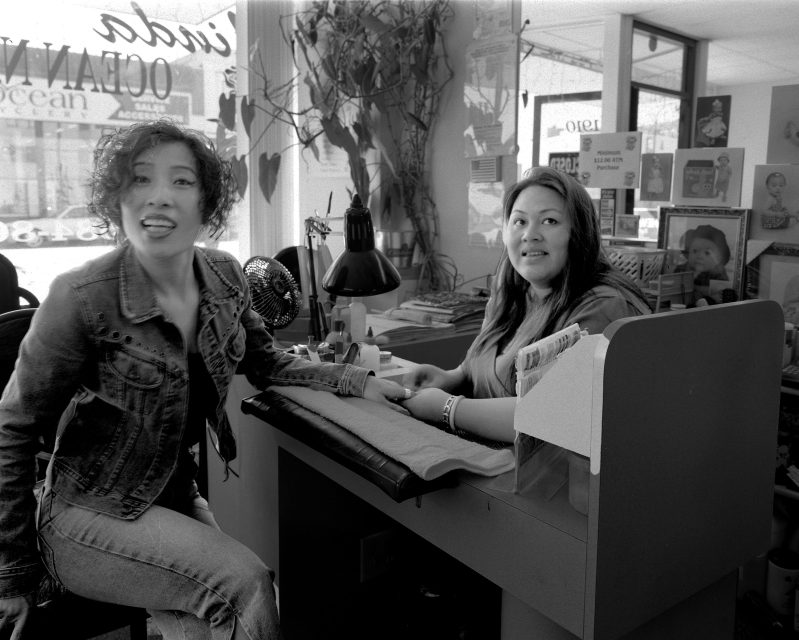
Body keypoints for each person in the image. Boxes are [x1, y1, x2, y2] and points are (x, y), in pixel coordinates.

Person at [0, 119, 410, 640]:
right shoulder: (80, 295)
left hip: (171, 497)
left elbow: (268, 364)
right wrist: (11, 573)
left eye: (182, 181)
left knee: (220, 620)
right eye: (140, 180)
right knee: (246, 588)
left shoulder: (226, 276)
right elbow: (11, 428)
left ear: (205, 201)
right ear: (118, 199)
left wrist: (356, 380)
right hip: (88, 515)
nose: (159, 198)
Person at [399, 167, 652, 443]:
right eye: (519, 222)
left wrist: (447, 408)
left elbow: (549, 417)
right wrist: (451, 377)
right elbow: (481, 364)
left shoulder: (605, 307)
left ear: (579, 233)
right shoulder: (511, 291)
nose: (530, 234)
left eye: (550, 221)